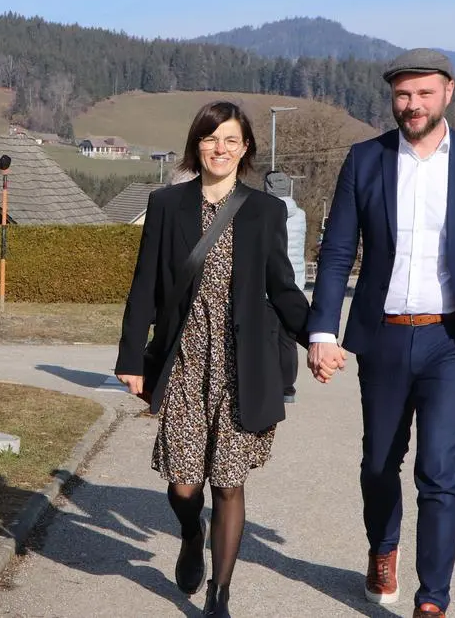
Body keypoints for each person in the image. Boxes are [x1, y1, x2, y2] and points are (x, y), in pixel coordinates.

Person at [306, 48, 455, 618]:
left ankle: (433, 599)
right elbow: (337, 252)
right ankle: (383, 547)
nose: (413, 104)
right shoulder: (365, 160)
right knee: (379, 463)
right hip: (383, 336)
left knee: (440, 473)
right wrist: (322, 330)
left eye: (424, 93)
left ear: (448, 92)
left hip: (451, 341)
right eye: (403, 94)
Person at [115, 101, 311, 617]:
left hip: (242, 366)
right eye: (210, 138)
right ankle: (189, 532)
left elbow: (282, 289)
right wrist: (131, 357)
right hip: (184, 359)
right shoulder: (165, 204)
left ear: (245, 149)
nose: (219, 149)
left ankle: (219, 595)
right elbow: (145, 285)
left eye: (230, 140)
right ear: (196, 145)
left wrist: (319, 337)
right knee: (184, 485)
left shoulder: (265, 211)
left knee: (228, 482)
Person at [263, 170, 308, 403]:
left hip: (269, 283)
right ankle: (288, 388)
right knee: (287, 338)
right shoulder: (300, 214)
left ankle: (267, 384)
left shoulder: (264, 212)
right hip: (295, 282)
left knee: (266, 336)